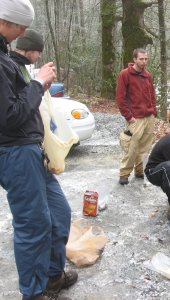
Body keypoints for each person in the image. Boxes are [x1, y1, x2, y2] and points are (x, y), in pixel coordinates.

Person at [0, 1, 77, 299]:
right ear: (7, 21)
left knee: (59, 212)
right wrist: (38, 83)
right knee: (33, 225)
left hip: (31, 150)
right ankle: (33, 293)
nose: (23, 33)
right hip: (14, 152)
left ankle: (52, 276)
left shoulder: (6, 54)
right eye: (21, 26)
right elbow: (9, 116)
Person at [116, 48, 157, 185]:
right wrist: (128, 116)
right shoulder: (125, 74)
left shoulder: (147, 75)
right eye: (141, 59)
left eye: (146, 59)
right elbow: (120, 98)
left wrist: (153, 112)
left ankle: (139, 170)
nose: (144, 61)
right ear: (134, 59)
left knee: (144, 147)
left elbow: (152, 94)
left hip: (149, 116)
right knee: (131, 147)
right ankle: (124, 173)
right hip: (135, 118)